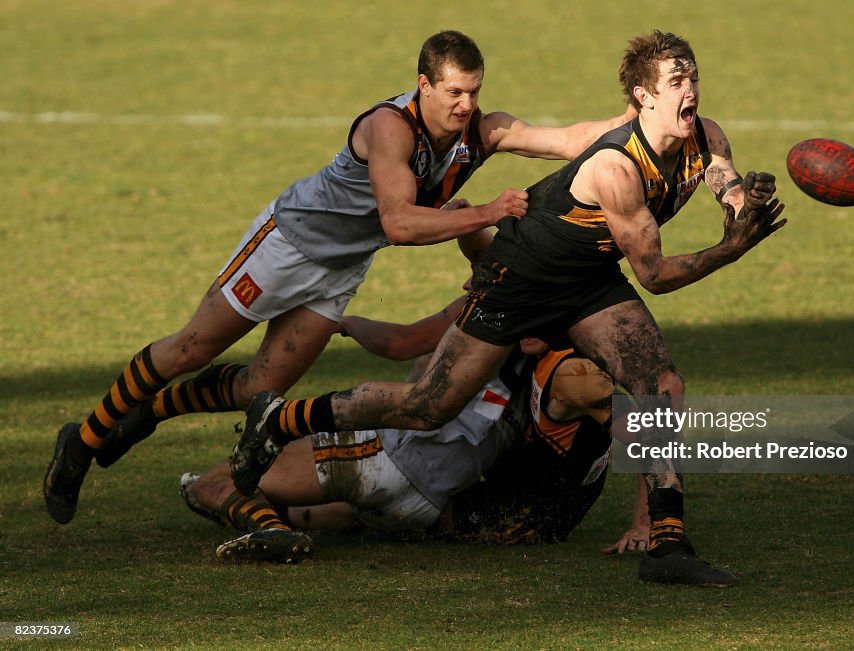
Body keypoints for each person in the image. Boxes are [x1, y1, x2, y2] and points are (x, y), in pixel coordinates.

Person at [230, 30, 786, 586]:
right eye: (677, 82)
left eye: (693, 79)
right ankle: (280, 417)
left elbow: (728, 188)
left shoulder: (706, 136)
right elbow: (655, 275)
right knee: (428, 407)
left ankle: (667, 546)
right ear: (644, 96)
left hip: (588, 280)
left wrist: (745, 205)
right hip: (519, 277)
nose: (691, 91)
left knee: (661, 383)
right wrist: (728, 250)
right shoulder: (617, 168)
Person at [44, 30, 635, 525]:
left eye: (474, 92)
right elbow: (399, 223)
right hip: (289, 244)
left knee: (259, 390)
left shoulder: (480, 130)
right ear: (424, 84)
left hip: (339, 270)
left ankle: (149, 412)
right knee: (190, 348)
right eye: (453, 91)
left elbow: (565, 139)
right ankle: (86, 441)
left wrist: (637, 119)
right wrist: (487, 212)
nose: (465, 105)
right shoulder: (391, 128)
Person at [180, 295, 637, 562]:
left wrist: (654, 522)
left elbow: (652, 427)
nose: (470, 284)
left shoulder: (566, 369)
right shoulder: (523, 331)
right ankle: (277, 521)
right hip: (436, 506)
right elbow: (405, 341)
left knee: (212, 485)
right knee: (314, 511)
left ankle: (267, 528)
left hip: (393, 461)